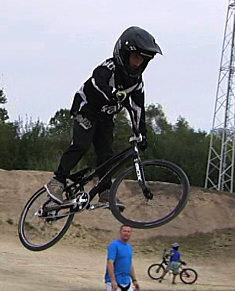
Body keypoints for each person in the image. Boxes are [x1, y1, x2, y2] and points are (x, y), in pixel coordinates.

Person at [45, 26, 162, 209]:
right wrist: (113, 93)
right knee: (82, 144)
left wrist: (141, 133)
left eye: (143, 59)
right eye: (136, 57)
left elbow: (138, 108)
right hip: (86, 109)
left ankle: (105, 193)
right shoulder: (108, 68)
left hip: (106, 117)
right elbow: (97, 82)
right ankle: (57, 181)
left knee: (107, 155)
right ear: (124, 54)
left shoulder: (137, 83)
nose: (138, 63)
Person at [105, 225, 140, 291]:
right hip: (115, 283)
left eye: (128, 231)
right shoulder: (114, 245)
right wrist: (113, 281)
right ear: (120, 232)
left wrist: (134, 280)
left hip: (127, 282)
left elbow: (129, 264)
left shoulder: (129, 247)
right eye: (124, 231)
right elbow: (110, 263)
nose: (126, 233)